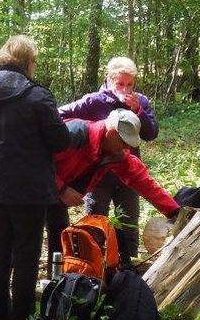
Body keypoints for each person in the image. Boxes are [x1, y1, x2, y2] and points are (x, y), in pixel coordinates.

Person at [0, 35, 70, 320]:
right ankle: (21, 319)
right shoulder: (38, 96)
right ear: (28, 62)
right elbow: (59, 140)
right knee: (26, 251)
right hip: (29, 188)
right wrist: (77, 132)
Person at [57, 57, 160, 266]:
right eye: (120, 84)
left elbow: (151, 134)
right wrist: (91, 133)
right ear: (109, 80)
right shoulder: (94, 100)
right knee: (96, 219)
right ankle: (92, 265)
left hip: (127, 170)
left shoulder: (140, 101)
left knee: (129, 220)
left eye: (129, 84)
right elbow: (58, 115)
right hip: (97, 172)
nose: (125, 89)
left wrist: (138, 110)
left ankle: (127, 267)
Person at [47, 109, 180, 264]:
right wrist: (61, 188)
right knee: (24, 244)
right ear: (111, 132)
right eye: (123, 142)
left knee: (59, 241)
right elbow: (33, 162)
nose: (126, 148)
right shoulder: (74, 134)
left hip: (54, 199)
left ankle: (54, 284)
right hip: (29, 191)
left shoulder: (114, 152)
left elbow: (142, 180)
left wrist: (175, 212)